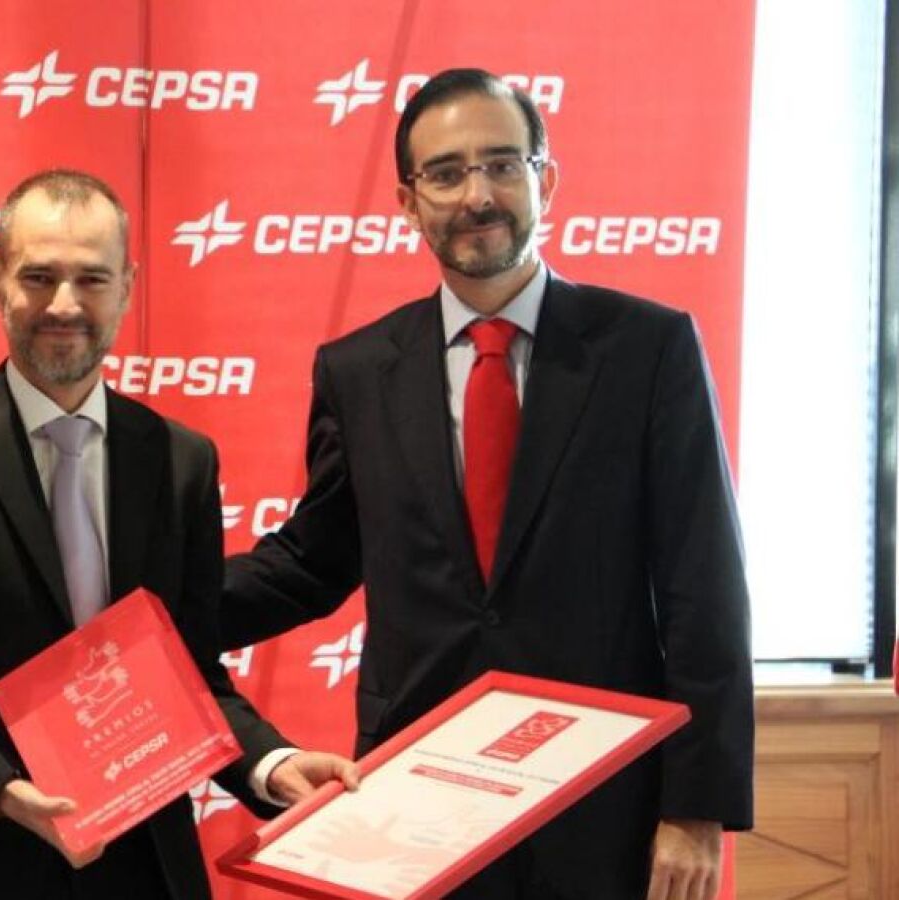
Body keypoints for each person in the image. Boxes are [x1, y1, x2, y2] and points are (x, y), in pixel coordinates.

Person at [220, 69, 753, 900]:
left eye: (502, 164)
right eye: (445, 173)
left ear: (545, 180)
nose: (477, 195)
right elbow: (312, 563)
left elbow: (703, 587)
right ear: (408, 202)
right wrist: (153, 606)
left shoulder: (647, 350)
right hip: (415, 801)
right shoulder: (357, 371)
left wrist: (695, 807)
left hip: (601, 803)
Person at [0, 169, 355, 899]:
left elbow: (188, 670)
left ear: (127, 287)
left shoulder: (180, 461)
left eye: (91, 279)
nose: (64, 305)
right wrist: (1, 789)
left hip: (138, 865)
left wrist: (270, 764)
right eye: (38, 277)